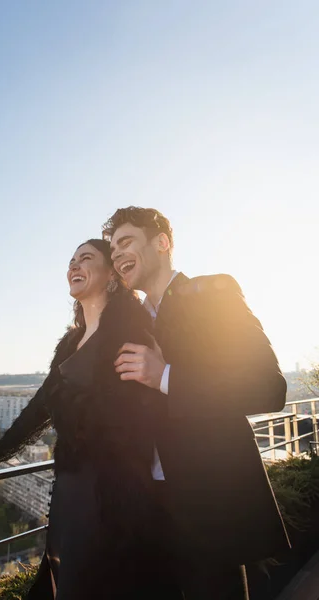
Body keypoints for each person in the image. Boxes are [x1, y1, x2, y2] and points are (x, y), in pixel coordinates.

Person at [0, 238, 184, 599]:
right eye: (71, 260)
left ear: (112, 276)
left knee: (105, 581)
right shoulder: (70, 343)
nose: (74, 266)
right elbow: (41, 405)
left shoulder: (129, 335)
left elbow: (142, 412)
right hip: (71, 485)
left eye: (86, 258)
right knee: (66, 577)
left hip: (116, 490)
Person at [102, 206, 291, 600]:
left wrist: (166, 377)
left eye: (125, 243)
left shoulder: (213, 293)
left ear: (162, 243)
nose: (117, 255)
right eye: (112, 248)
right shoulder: (129, 322)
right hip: (146, 507)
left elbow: (268, 387)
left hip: (207, 503)